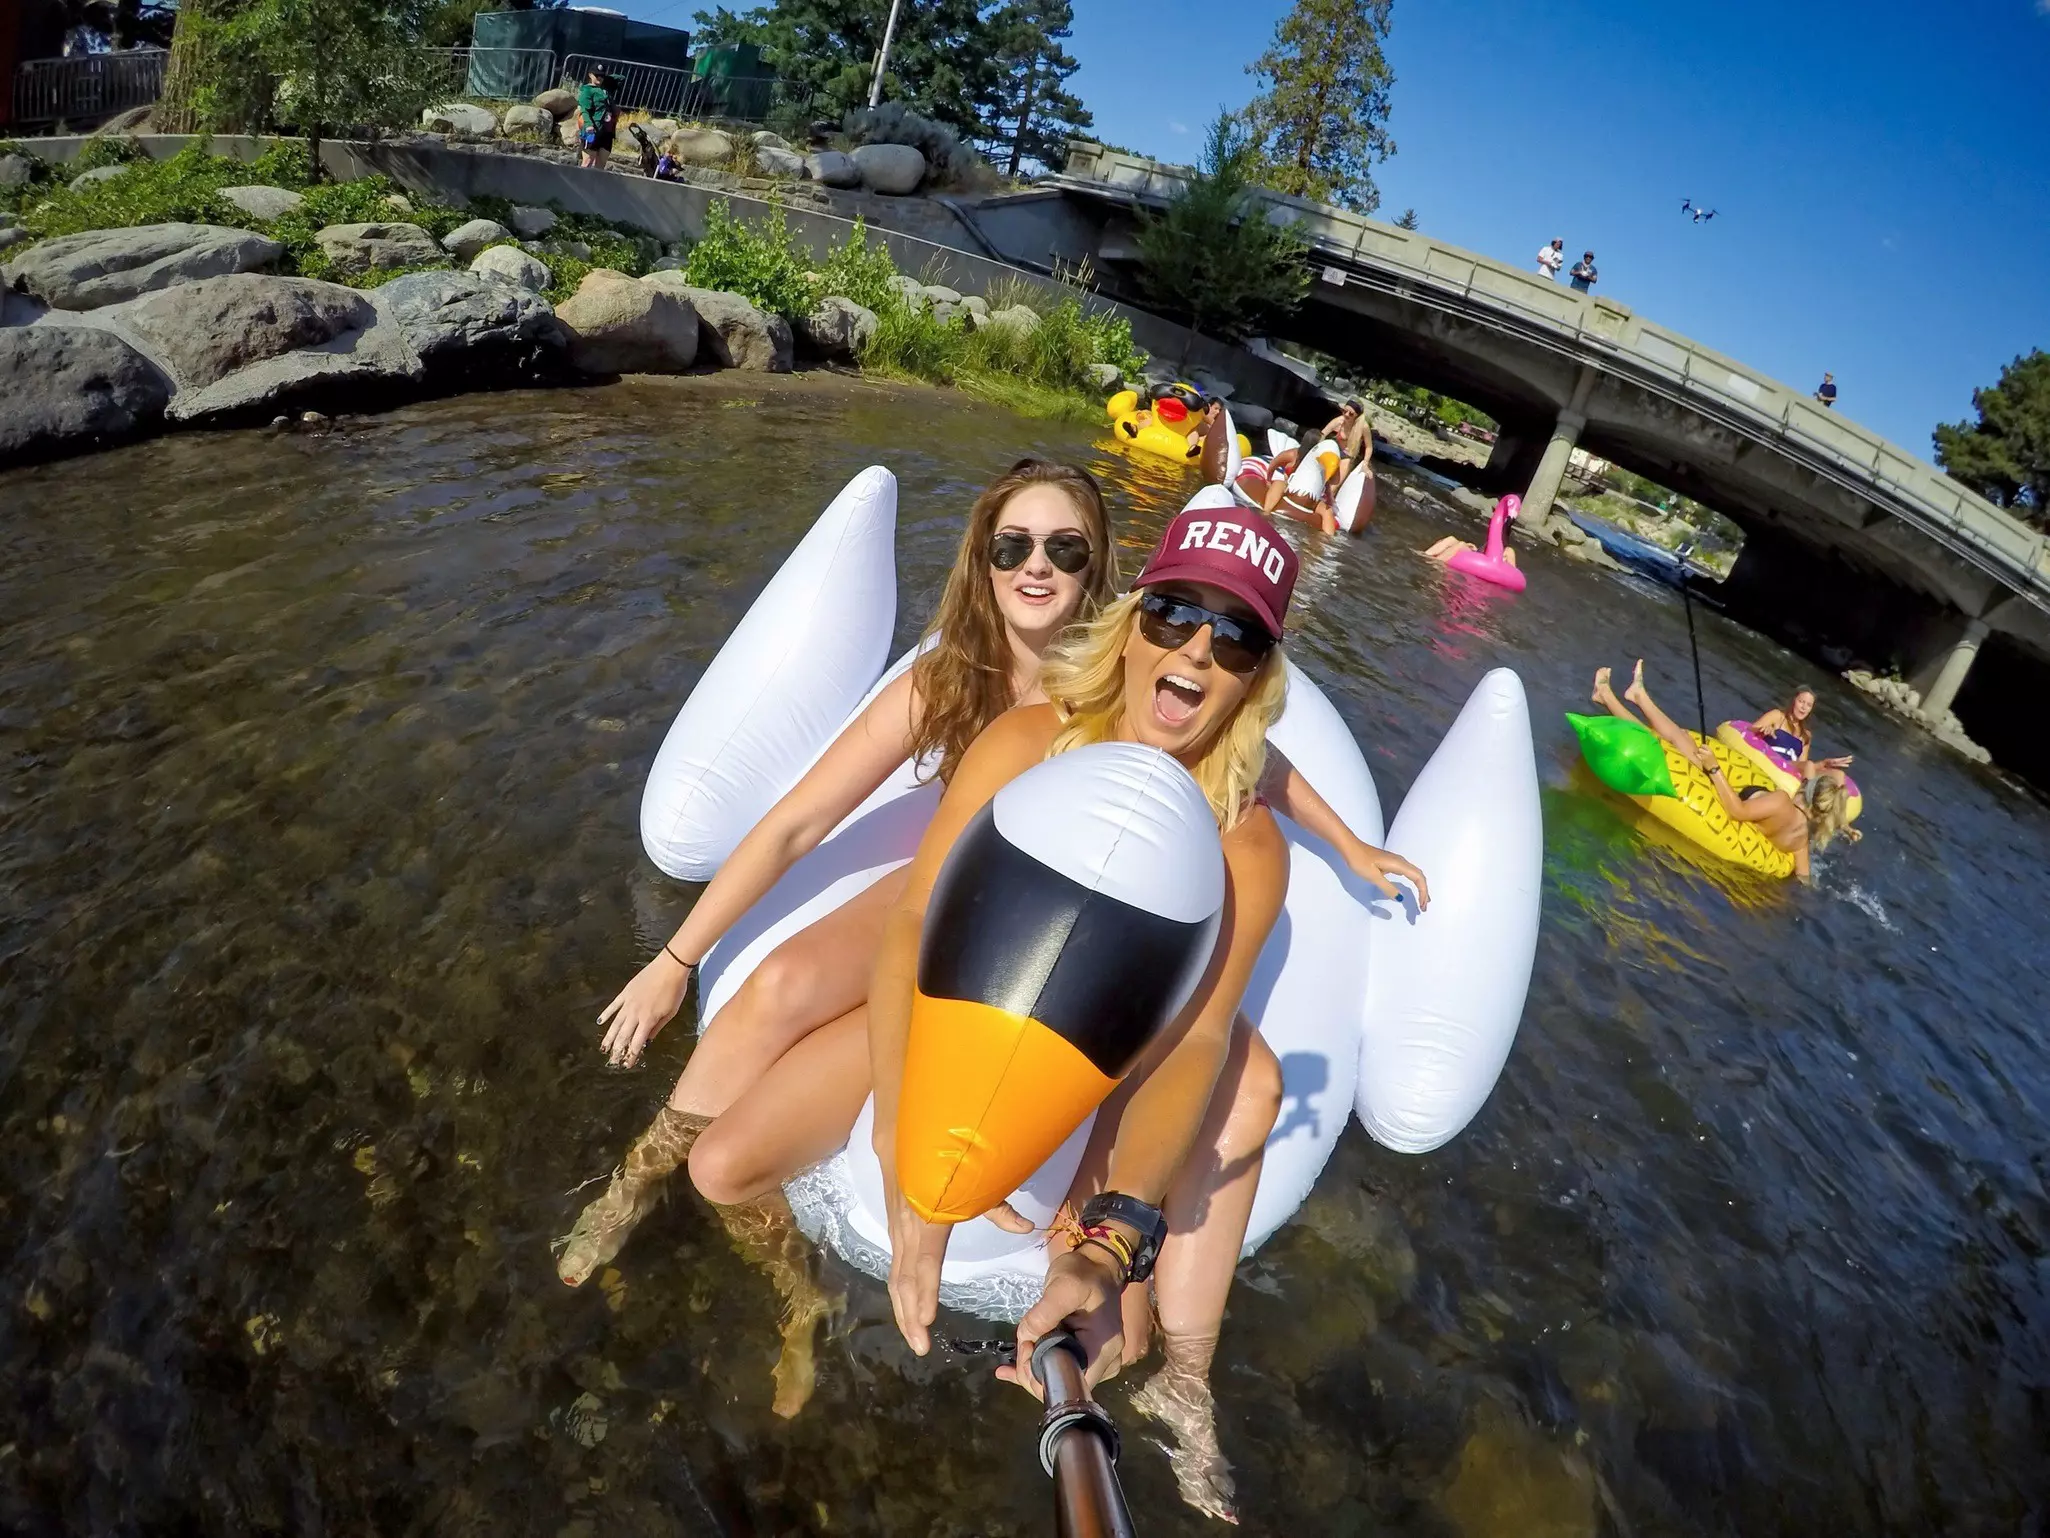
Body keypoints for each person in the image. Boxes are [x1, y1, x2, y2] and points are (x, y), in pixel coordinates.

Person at [558, 464, 1426, 1431]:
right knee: (722, 1159)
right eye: (1174, 615)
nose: (1198, 647)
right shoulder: (1016, 732)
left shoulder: (1242, 839)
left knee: (1138, 1302)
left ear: (1258, 673)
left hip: (1104, 1054)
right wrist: (897, 1140)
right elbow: (907, 924)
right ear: (1133, 620)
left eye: (1236, 638)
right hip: (975, 994)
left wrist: (1107, 1240)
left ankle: (1191, 1384)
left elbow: (1192, 1041)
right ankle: (763, 1269)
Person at [1592, 661, 1854, 882]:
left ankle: (1607, 696)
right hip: (1739, 798)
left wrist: (1714, 768)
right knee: (1680, 736)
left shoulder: (1782, 801)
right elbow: (1804, 878)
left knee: (1667, 741)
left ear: (1807, 790)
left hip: (1721, 795)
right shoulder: (1800, 839)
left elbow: (1737, 811)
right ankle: (1637, 695)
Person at [1749, 685, 1853, 786]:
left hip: (1790, 767)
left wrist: (1824, 764)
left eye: (1808, 705)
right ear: (1794, 701)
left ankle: (1824, 801)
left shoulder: (1805, 735)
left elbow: (1803, 765)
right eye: (1801, 702)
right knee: (1809, 764)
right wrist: (1763, 730)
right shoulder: (1777, 716)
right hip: (1773, 759)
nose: (1803, 708)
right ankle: (1804, 800)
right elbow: (1749, 730)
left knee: (1838, 775)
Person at [1261, 437, 1343, 534]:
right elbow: (1274, 464)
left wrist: (1330, 500)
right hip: (1290, 485)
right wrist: (1268, 480)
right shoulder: (1293, 454)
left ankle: (1328, 539)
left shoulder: (1325, 466)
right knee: (1279, 484)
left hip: (1314, 496)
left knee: (1327, 511)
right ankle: (1266, 512)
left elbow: (1332, 483)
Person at [1315, 398, 1375, 481]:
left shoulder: (1363, 427)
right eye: (1344, 411)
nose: (1346, 414)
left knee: (1333, 487)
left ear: (1357, 415)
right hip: (1334, 450)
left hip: (1347, 456)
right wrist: (1318, 448)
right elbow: (1323, 433)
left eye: (1351, 413)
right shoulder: (1340, 420)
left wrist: (1365, 463)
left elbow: (1369, 447)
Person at [575, 68, 616, 171]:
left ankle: (593, 186)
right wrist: (588, 124)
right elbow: (584, 110)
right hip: (593, 129)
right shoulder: (587, 90)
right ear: (590, 75)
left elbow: (621, 78)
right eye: (596, 75)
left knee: (601, 165)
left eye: (602, 75)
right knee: (587, 162)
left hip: (607, 131)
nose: (599, 78)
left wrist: (608, 79)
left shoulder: (606, 90)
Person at [1422, 534, 1517, 568]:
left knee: (1461, 545)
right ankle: (1425, 554)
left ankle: (1438, 561)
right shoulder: (1490, 542)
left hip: (1489, 565)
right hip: (1478, 558)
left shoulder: (1508, 551)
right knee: (1451, 539)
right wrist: (1473, 548)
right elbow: (1481, 554)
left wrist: (1501, 561)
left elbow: (1512, 572)